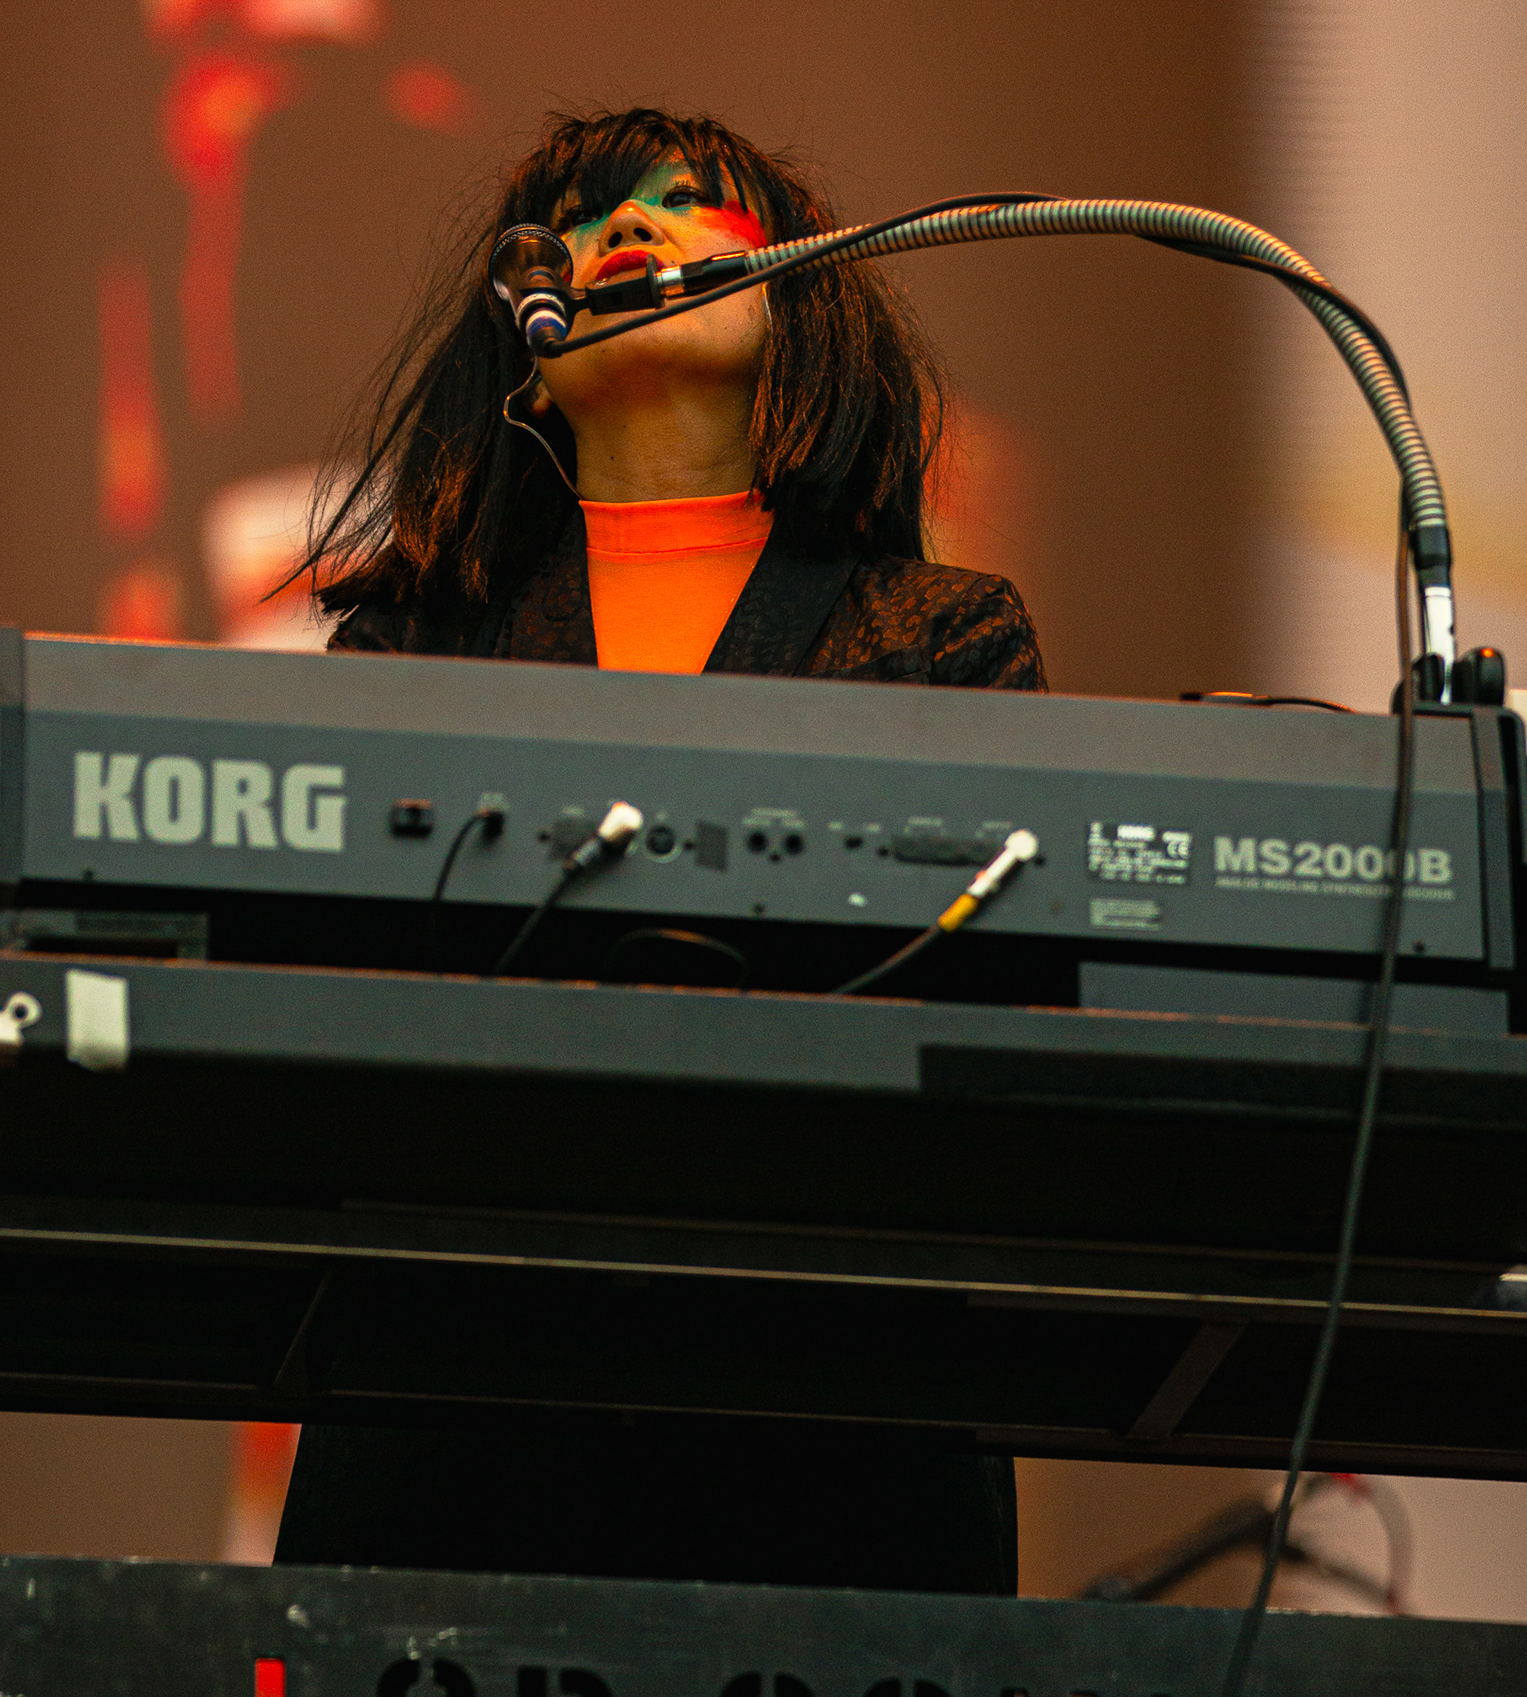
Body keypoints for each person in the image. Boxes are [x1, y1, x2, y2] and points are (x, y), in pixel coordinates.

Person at [276, 106, 1044, 1594]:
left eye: (690, 203)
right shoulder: (413, 646)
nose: (626, 232)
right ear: (526, 345)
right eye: (576, 223)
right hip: (452, 1437)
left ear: (800, 299)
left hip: (841, 1437)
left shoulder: (946, 638)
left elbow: (988, 1054)